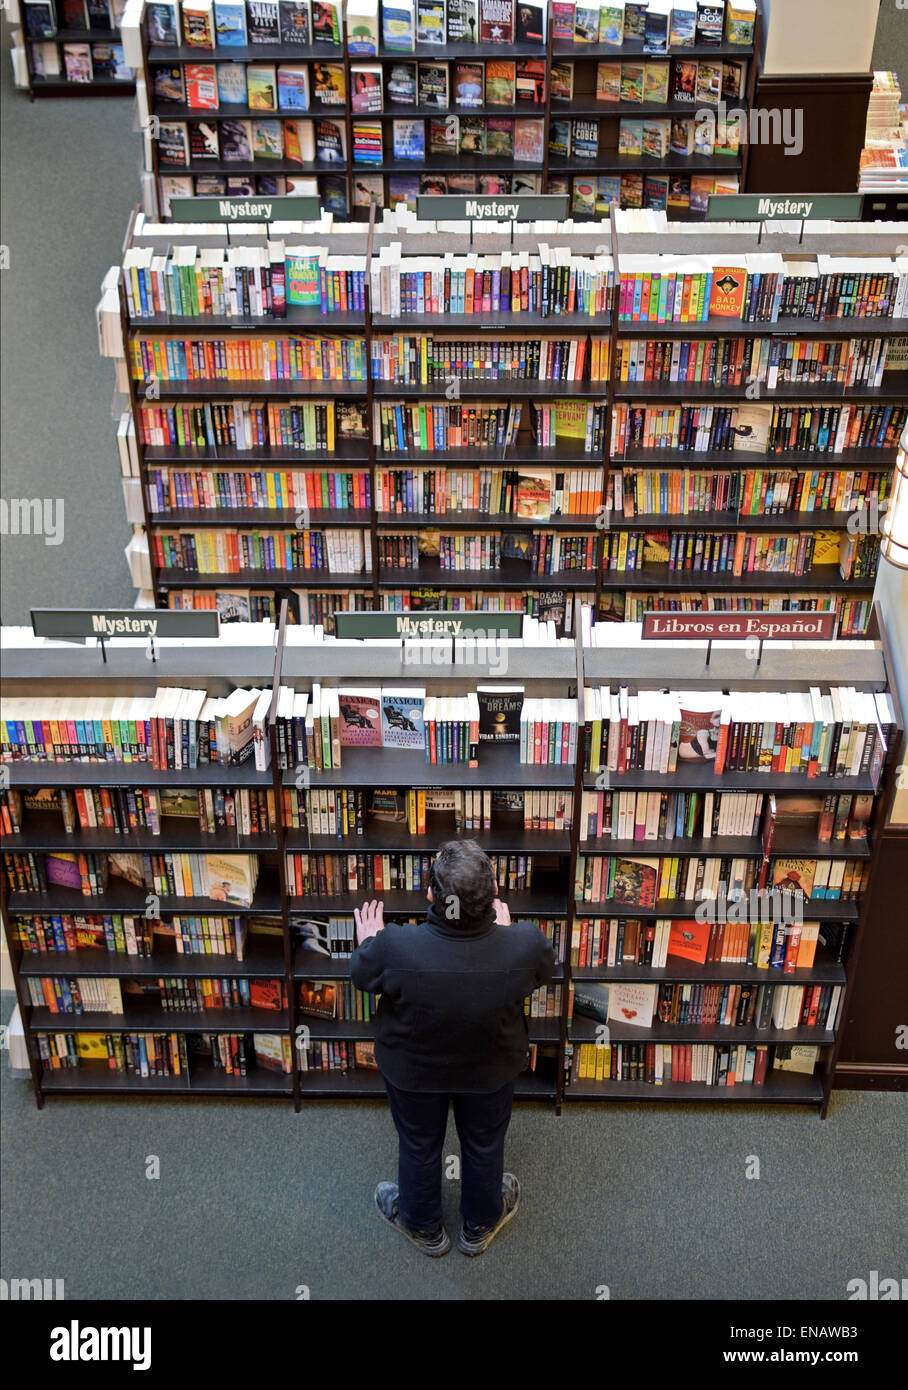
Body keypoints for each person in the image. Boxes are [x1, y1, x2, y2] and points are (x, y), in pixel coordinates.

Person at [350, 839, 555, 1258]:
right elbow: (540, 973)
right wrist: (507, 935)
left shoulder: (392, 946)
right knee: (484, 1143)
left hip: (414, 1071)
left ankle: (423, 1228)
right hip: (489, 1069)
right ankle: (479, 1226)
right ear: (495, 895)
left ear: (430, 895)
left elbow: (360, 975)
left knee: (419, 1142)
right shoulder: (526, 942)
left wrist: (368, 940)